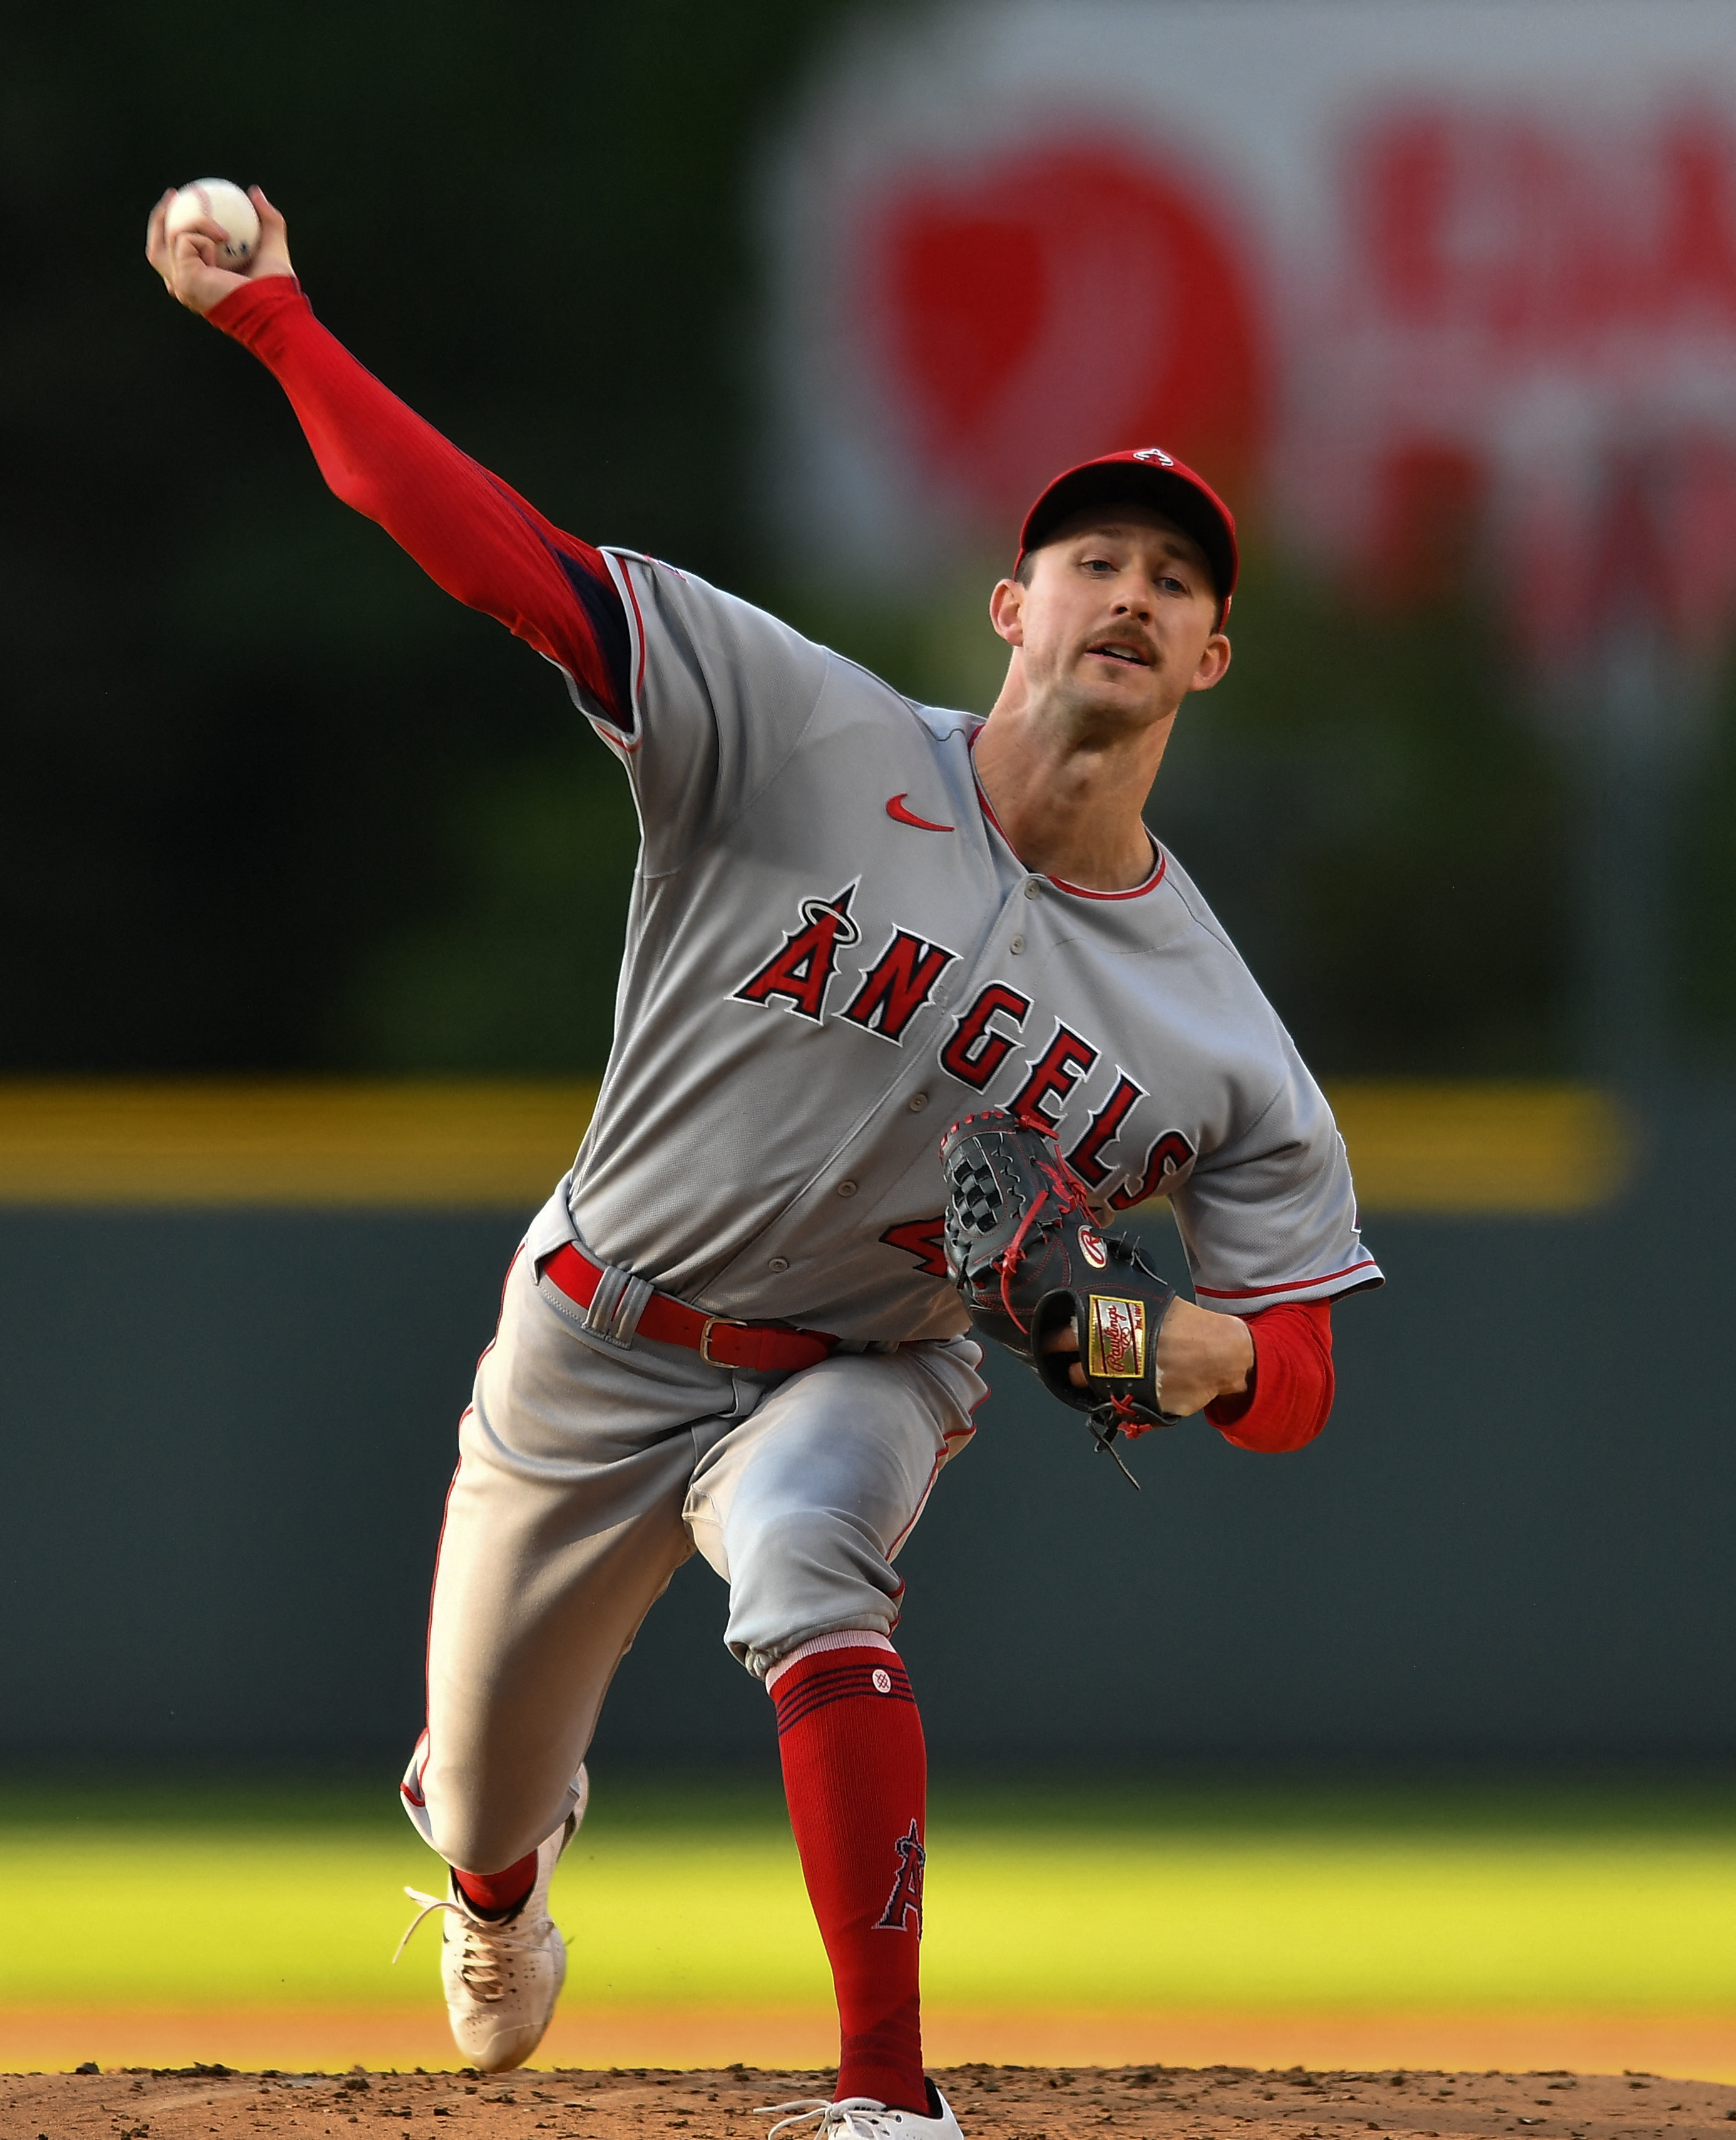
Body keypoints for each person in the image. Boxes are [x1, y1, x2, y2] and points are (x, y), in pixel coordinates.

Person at [146, 186, 1381, 2135]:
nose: (1130, 592)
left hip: (859, 1358)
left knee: (815, 1568)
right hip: (593, 1333)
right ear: (1013, 608)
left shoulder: (1219, 1038)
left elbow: (1299, 1366)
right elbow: (501, 558)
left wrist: (1178, 1349)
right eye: (1090, 558)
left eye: (1174, 576)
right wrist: (284, 329)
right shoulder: (796, 724)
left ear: (1213, 655)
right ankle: (494, 1875)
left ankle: (888, 2097)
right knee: (479, 1784)